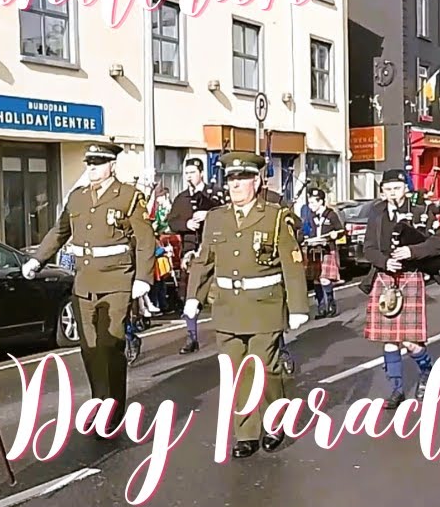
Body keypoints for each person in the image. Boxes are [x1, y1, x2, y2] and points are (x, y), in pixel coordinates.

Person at [182, 152, 308, 459]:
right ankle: (246, 433)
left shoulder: (276, 216)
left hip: (264, 305)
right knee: (237, 372)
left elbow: (292, 263)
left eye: (242, 180)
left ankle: (273, 422)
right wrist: (193, 298)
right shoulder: (217, 217)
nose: (235, 186)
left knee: (265, 368)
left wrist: (298, 306)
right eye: (231, 180)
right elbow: (204, 261)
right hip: (227, 307)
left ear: (256, 181)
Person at [23, 142, 155, 423]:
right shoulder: (78, 198)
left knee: (111, 344)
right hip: (84, 282)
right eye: (89, 163)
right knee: (90, 347)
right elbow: (60, 232)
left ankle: (113, 409)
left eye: (98, 162)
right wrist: (38, 260)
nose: (92, 168)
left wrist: (143, 278)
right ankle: (99, 401)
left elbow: (145, 240)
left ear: (111, 165)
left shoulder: (129, 196)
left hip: (116, 281)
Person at [361, 169, 440, 409]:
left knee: (410, 342)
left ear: (405, 189)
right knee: (389, 341)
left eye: (396, 188)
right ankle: (397, 389)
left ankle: (426, 369)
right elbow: (368, 248)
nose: (392, 193)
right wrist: (384, 261)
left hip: (411, 276)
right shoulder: (376, 214)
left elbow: (439, 242)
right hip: (385, 277)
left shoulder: (421, 210)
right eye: (387, 189)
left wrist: (412, 251)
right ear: (382, 192)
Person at [167, 158, 223, 354]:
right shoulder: (181, 198)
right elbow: (171, 222)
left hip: (215, 250)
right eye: (186, 172)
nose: (189, 176)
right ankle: (192, 337)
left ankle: (226, 334)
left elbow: (227, 214)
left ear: (201, 173)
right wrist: (186, 224)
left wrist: (208, 215)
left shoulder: (215, 194)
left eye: (192, 172)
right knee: (190, 295)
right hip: (190, 251)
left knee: (219, 293)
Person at [302, 188, 344, 319]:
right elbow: (305, 231)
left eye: (313, 203)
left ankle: (331, 304)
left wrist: (335, 234)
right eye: (309, 203)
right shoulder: (310, 216)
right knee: (316, 280)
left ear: (321, 202)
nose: (311, 206)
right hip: (313, 250)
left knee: (325, 279)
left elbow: (341, 230)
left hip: (327, 249)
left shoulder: (331, 215)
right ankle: (321, 308)